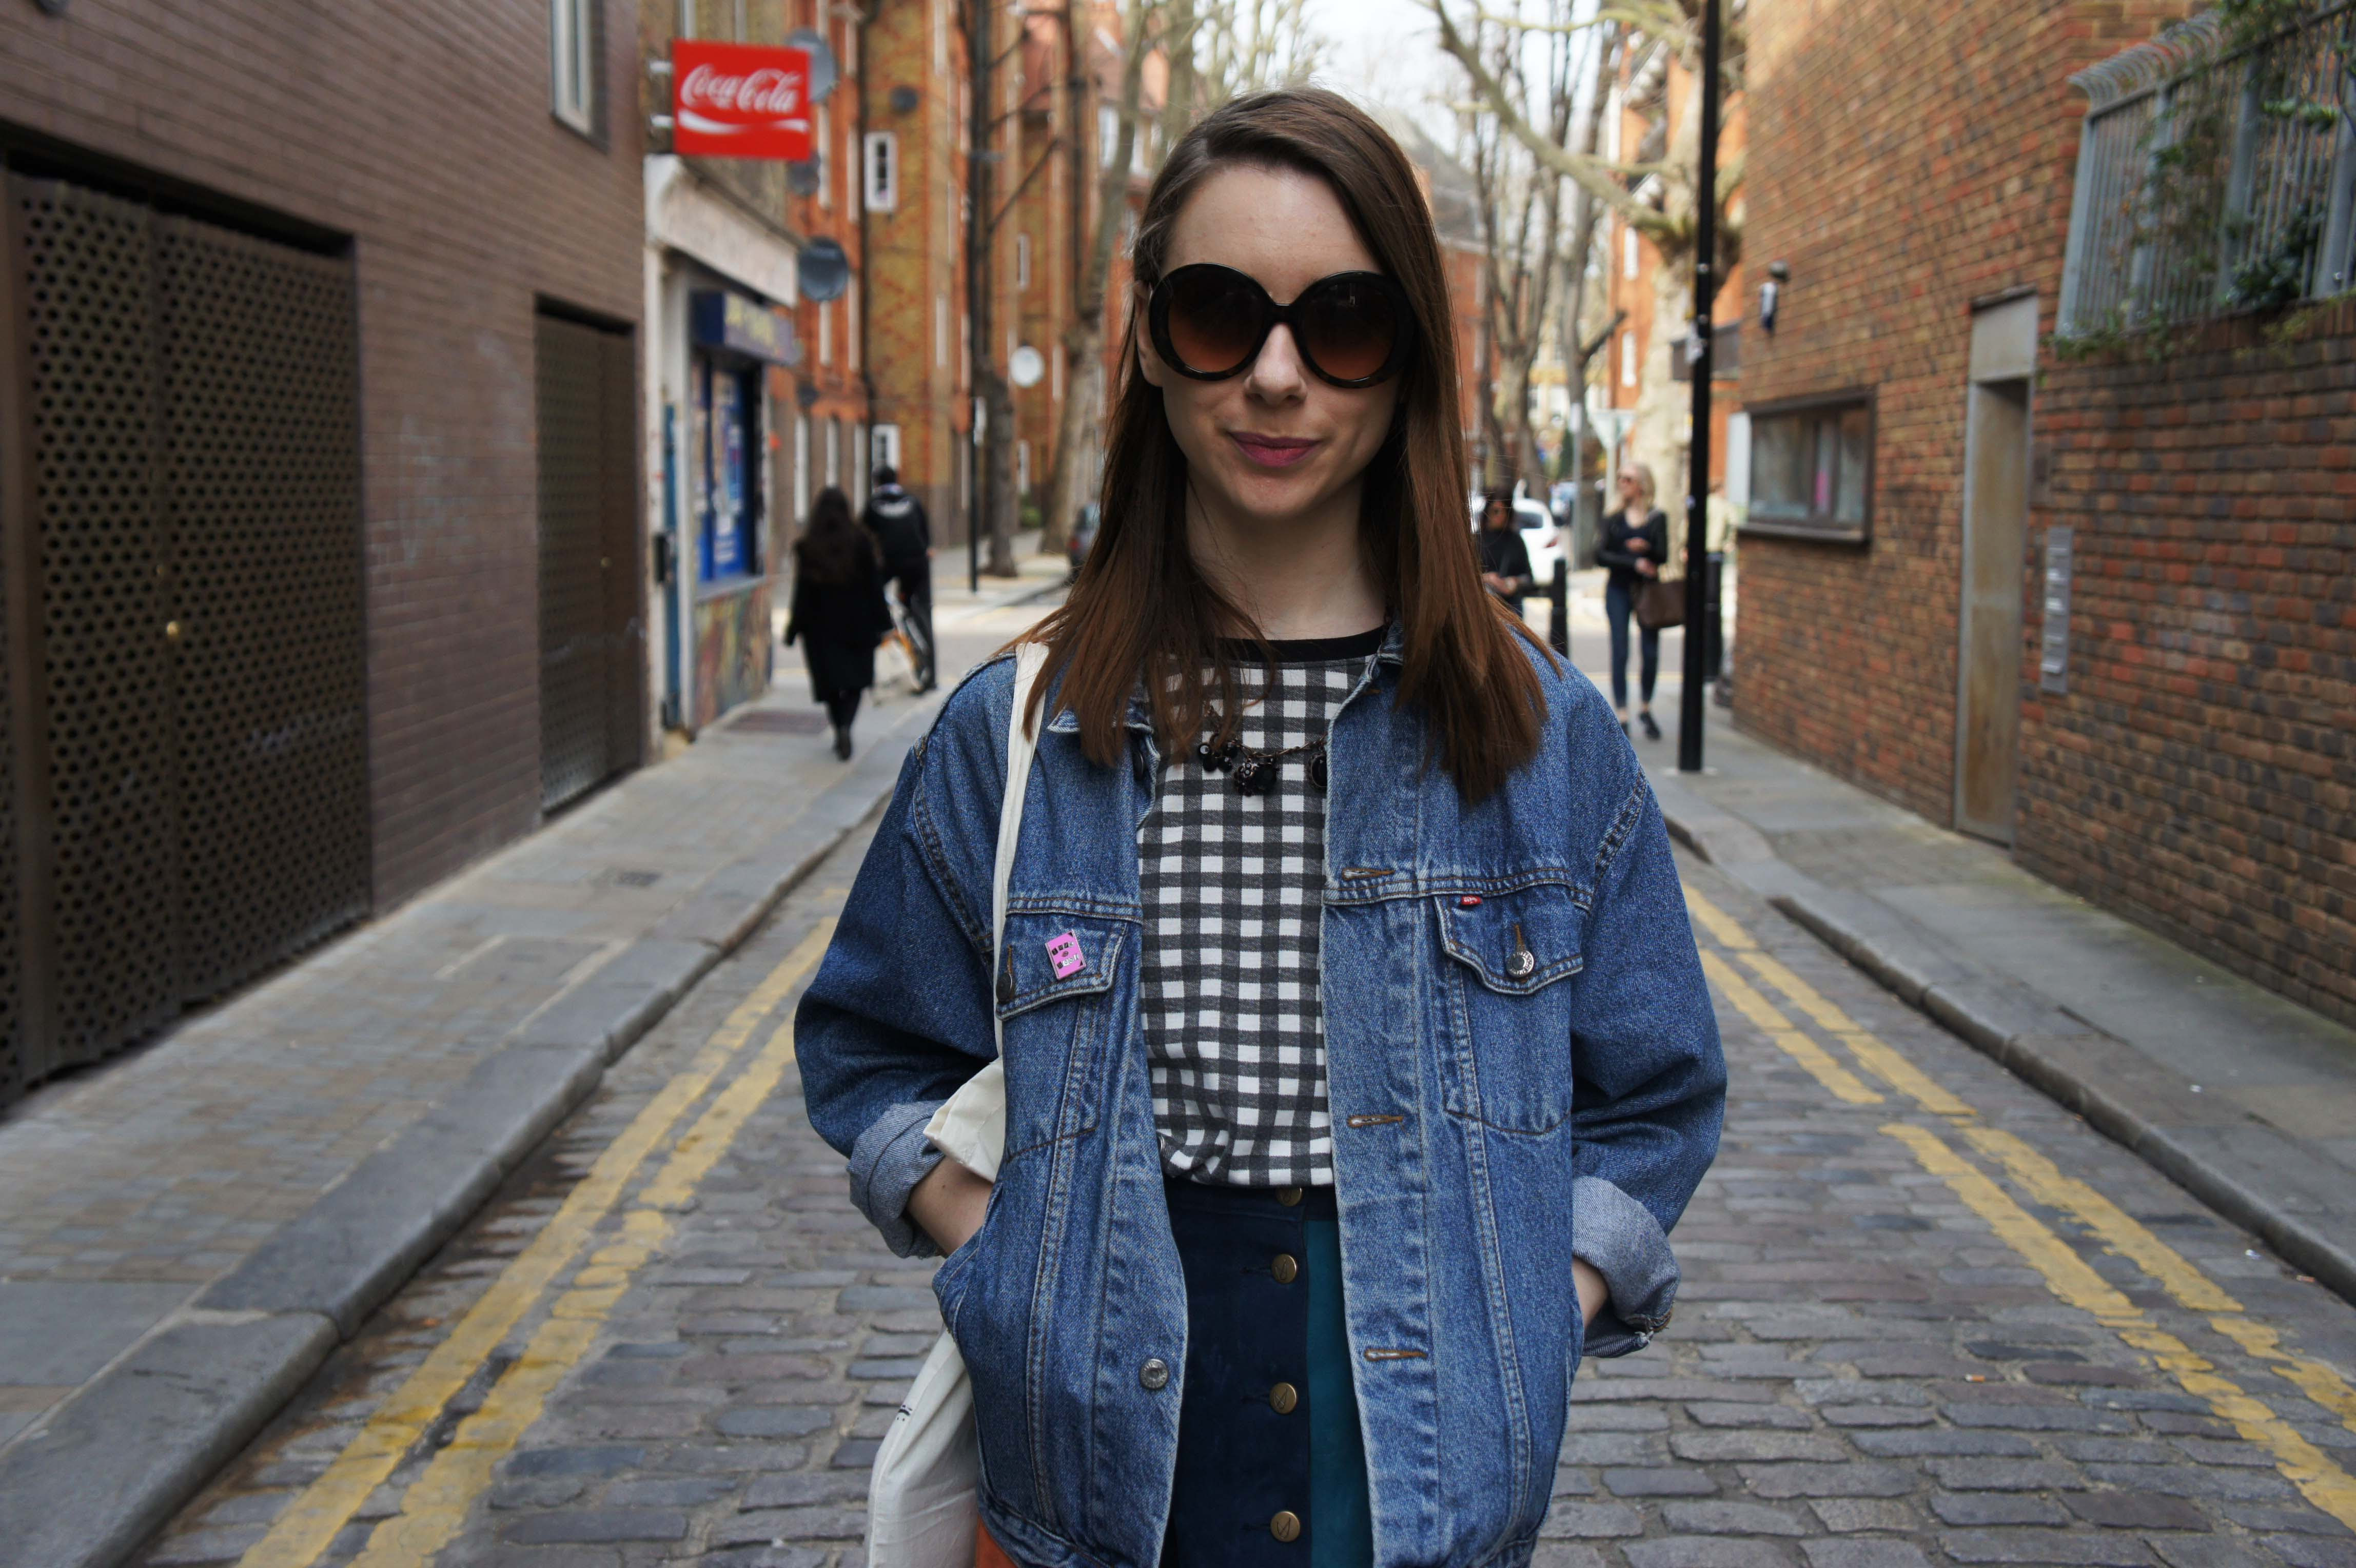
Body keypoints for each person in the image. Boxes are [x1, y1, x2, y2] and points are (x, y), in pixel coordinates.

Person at [797, 88, 1723, 1568]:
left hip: (1425, 1471)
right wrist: (1021, 1260)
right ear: (1154, 344)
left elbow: (1657, 1091)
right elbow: (867, 1049)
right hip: (1100, 1465)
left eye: (1341, 321)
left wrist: (1539, 1305)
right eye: (1223, 313)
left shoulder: (1547, 739)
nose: (1278, 377)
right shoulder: (1016, 732)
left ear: (1406, 353)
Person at [784, 486, 894, 760]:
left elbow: (802, 593)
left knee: (830, 684)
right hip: (858, 625)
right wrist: (884, 623)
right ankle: (847, 725)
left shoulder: (809, 546)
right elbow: (874, 587)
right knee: (856, 682)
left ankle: (839, 727)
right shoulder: (861, 542)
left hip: (819, 630)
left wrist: (793, 628)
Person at [1596, 463, 1669, 740]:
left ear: (1642, 485)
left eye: (1628, 479)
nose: (1622, 483)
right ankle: (1623, 713)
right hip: (1618, 589)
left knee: (1650, 652)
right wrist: (1634, 562)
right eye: (1620, 479)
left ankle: (1646, 707)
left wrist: (1648, 550)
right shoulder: (1613, 517)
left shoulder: (1657, 517)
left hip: (1648, 592)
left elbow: (1664, 555)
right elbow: (1601, 555)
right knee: (1620, 649)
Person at [862, 463, 937, 691]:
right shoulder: (913, 502)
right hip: (917, 563)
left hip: (888, 565)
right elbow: (925, 535)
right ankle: (931, 675)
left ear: (877, 483)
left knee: (870, 602)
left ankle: (883, 635)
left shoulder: (873, 506)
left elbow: (863, 539)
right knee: (922, 611)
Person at [1475, 488, 1534, 617]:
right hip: (1483, 604)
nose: (1500, 515)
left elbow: (1529, 577)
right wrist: (1487, 579)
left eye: (1505, 511)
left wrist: (1514, 582)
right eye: (1496, 511)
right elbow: (1463, 575)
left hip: (1511, 605)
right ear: (1487, 512)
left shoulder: (1515, 540)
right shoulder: (1476, 540)